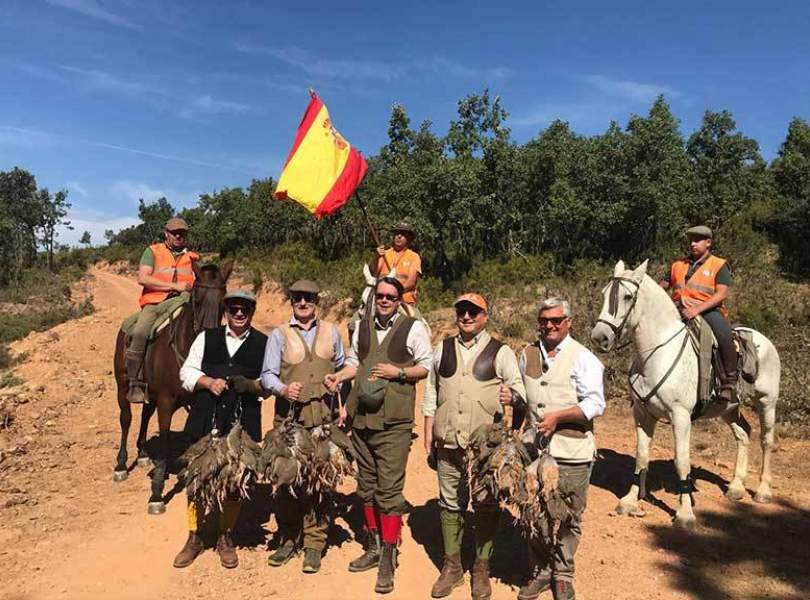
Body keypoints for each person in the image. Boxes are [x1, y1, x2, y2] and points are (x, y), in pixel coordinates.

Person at [324, 277, 432, 595]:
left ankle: (388, 554)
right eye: (380, 296)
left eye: (390, 297)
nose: (384, 301)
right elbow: (356, 363)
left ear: (399, 300)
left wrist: (397, 372)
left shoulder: (412, 328)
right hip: (362, 420)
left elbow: (426, 366)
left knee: (389, 491)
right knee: (366, 488)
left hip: (394, 424)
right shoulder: (363, 327)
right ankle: (372, 545)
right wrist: (339, 375)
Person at [422, 293, 527, 600]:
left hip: (485, 451)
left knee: (486, 505)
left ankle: (481, 568)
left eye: (473, 311)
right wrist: (428, 431)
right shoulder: (441, 349)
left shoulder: (501, 351)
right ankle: (452, 567)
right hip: (448, 443)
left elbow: (519, 390)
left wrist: (512, 397)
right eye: (461, 310)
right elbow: (431, 391)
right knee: (449, 503)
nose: (466, 316)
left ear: (484, 316)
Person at [173, 289, 268, 569]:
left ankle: (225, 536)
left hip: (242, 422)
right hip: (206, 418)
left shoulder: (264, 343)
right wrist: (207, 382)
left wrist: (251, 386)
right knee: (197, 479)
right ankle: (195, 536)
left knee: (235, 481)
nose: (239, 314)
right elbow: (187, 372)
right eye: (234, 309)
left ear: (251, 313)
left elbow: (271, 382)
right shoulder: (206, 338)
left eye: (245, 310)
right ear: (226, 312)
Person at [517, 298, 605, 600]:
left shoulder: (583, 357)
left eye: (556, 320)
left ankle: (563, 573)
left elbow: (595, 404)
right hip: (534, 452)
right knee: (534, 512)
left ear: (569, 321)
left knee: (568, 515)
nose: (549, 325)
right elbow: (521, 397)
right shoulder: (526, 353)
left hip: (572, 450)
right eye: (544, 320)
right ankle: (541, 570)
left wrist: (559, 416)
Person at [259, 279, 346, 574]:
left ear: (316, 301)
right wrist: (283, 389)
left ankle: (314, 543)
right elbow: (267, 375)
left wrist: (342, 401)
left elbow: (343, 369)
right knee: (285, 483)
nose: (303, 302)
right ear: (292, 301)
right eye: (297, 298)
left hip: (323, 420)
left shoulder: (332, 331)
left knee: (319, 482)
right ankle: (289, 537)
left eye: (308, 297)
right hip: (289, 421)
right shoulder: (279, 334)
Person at [126, 216, 199, 404]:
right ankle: (135, 381)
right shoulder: (152, 251)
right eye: (174, 233)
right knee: (141, 331)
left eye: (182, 233)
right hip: (155, 303)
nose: (178, 236)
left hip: (184, 303)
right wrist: (174, 286)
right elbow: (143, 278)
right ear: (166, 233)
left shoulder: (193, 258)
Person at [660, 225, 737, 401]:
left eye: (697, 240)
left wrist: (696, 310)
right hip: (678, 309)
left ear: (708, 242)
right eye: (690, 240)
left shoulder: (719, 265)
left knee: (724, 335)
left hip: (708, 310)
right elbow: (662, 286)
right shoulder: (677, 265)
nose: (692, 244)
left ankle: (729, 382)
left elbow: (721, 294)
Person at [369, 222, 422, 307]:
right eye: (397, 233)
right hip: (381, 300)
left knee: (416, 320)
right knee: (358, 318)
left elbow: (411, 283)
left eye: (403, 234)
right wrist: (376, 257)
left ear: (409, 238)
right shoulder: (383, 254)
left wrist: (393, 292)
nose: (399, 236)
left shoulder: (414, 257)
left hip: (404, 302)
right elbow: (372, 273)